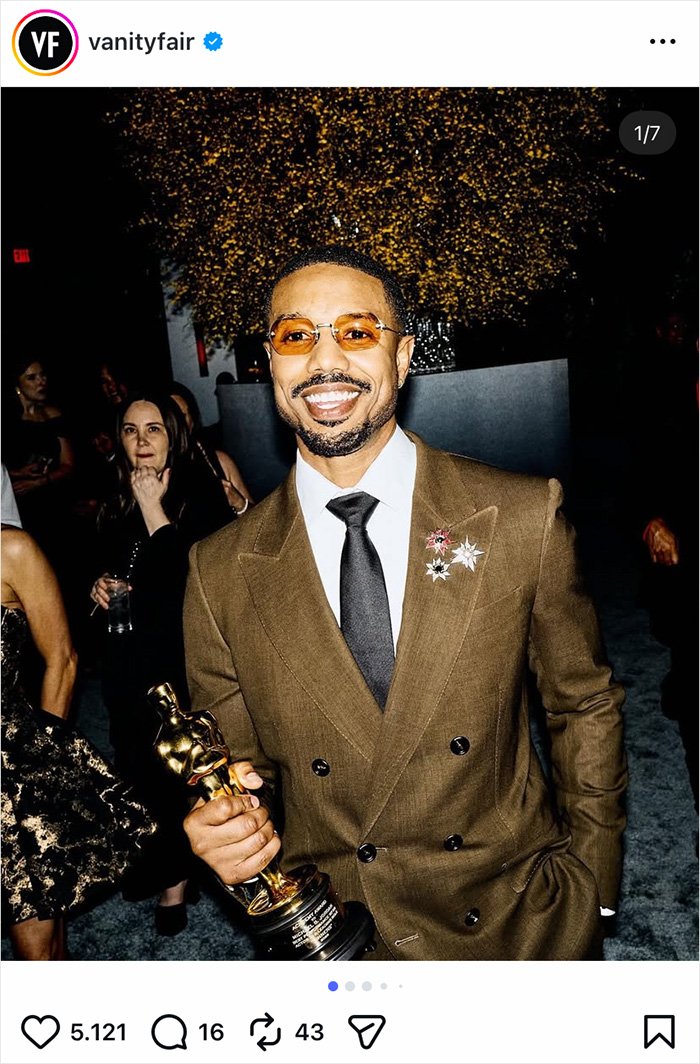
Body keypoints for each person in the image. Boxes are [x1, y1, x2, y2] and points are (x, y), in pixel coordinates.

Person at [182, 246, 627, 961]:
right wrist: (228, 827)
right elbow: (238, 770)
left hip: (518, 924)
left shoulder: (518, 516)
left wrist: (593, 880)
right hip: (346, 944)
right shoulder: (219, 570)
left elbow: (584, 703)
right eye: (296, 336)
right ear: (269, 362)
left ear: (404, 355)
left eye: (356, 331)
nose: (325, 359)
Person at [91, 391, 236, 935]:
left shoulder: (199, 494)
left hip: (183, 657)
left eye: (153, 428)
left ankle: (178, 878)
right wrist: (99, 584)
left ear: (173, 434)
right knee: (136, 762)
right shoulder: (115, 496)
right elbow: (111, 563)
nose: (142, 440)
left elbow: (194, 585)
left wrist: (155, 509)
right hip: (130, 655)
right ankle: (166, 860)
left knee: (181, 767)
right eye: (130, 430)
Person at [1, 525, 155, 960]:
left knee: (36, 946)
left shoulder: (11, 549)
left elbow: (63, 660)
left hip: (10, 766)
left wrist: (44, 766)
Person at [169, 381, 253, 533]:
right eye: (171, 417)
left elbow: (258, 525)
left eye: (182, 416)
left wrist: (239, 503)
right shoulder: (155, 473)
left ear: (192, 420)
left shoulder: (219, 461)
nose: (178, 424)